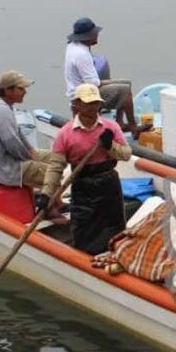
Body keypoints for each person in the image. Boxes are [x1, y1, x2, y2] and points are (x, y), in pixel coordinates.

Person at [43, 84, 132, 254]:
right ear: (77, 105)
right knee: (85, 231)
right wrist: (46, 195)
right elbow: (55, 167)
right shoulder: (66, 134)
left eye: (95, 103)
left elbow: (126, 154)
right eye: (88, 103)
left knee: (114, 229)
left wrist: (110, 145)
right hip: (83, 187)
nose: (93, 108)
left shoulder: (110, 128)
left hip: (108, 185)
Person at [0, 70, 64, 216]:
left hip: (9, 158)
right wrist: (29, 157)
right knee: (52, 172)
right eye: (21, 89)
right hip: (6, 165)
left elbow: (17, 132)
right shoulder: (1, 111)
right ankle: (50, 210)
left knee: (57, 158)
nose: (25, 92)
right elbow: (11, 143)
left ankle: (56, 201)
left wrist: (31, 150)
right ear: (8, 90)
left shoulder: (3, 106)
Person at [63, 16, 139, 134]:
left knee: (126, 82)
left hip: (82, 88)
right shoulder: (81, 54)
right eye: (95, 34)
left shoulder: (72, 45)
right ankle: (134, 127)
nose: (97, 36)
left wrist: (108, 82)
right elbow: (93, 83)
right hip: (82, 96)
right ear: (88, 36)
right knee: (125, 89)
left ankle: (120, 122)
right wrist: (108, 82)